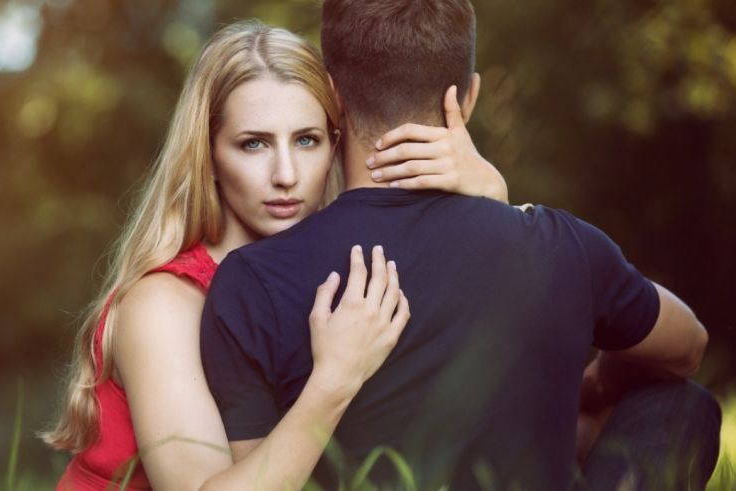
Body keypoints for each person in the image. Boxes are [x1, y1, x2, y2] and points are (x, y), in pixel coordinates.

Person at [199, 1, 721, 489]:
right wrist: (602, 380)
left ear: (332, 96)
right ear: (466, 98)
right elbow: (686, 345)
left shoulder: (248, 282)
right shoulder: (562, 246)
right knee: (680, 402)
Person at [41, 21, 509, 490]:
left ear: (336, 143)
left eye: (307, 140)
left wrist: (494, 204)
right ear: (208, 154)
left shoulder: (341, 276)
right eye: (254, 144)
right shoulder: (163, 305)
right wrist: (334, 378)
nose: (286, 174)